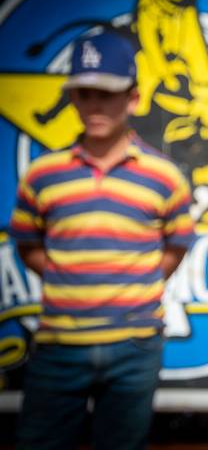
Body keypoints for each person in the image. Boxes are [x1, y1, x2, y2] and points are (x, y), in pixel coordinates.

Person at [10, 30, 194, 450]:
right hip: (59, 343)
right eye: (85, 94)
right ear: (72, 99)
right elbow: (27, 243)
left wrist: (136, 281)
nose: (96, 105)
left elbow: (177, 243)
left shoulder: (164, 175)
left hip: (136, 344)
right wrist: (70, 277)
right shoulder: (43, 173)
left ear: (133, 98)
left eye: (108, 94)